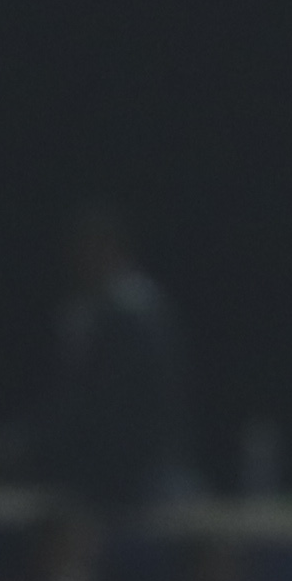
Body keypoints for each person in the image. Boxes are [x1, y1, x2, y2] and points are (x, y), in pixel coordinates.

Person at [35, 201, 189, 513]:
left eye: (86, 250)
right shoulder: (87, 309)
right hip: (95, 463)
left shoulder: (136, 312)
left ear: (109, 248)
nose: (78, 261)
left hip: (131, 472)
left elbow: (114, 398)